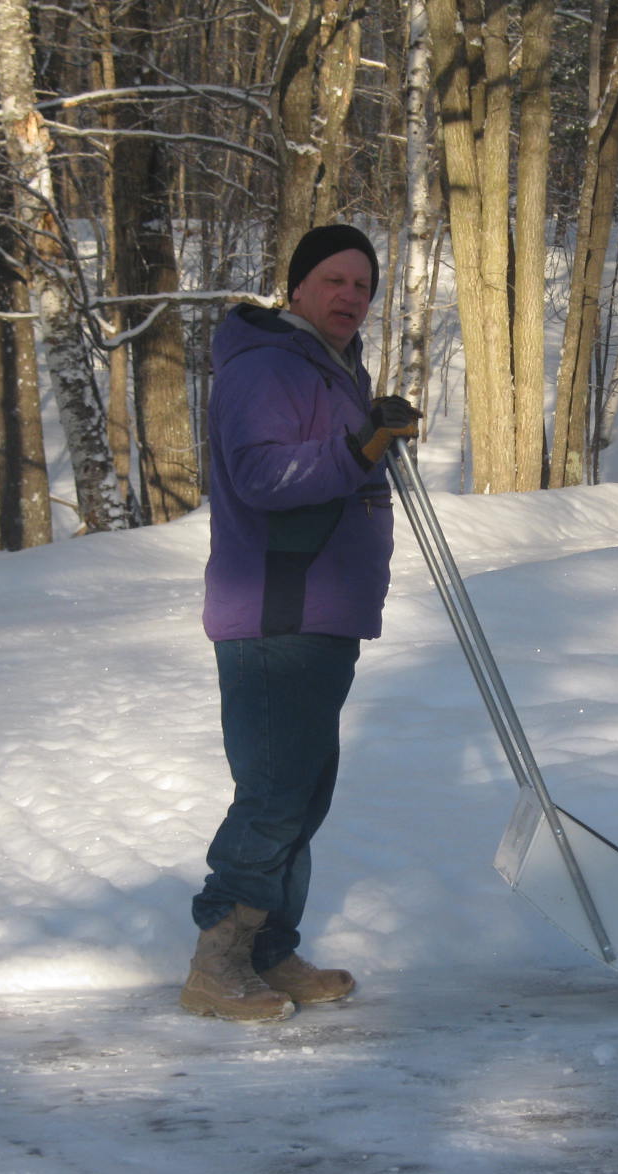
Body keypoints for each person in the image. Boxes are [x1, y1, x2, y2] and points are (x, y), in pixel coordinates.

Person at [182, 225, 421, 1022]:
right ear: (297, 287)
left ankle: (268, 951)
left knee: (303, 791)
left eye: (363, 285)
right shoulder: (267, 365)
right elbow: (262, 474)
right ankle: (218, 961)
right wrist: (359, 448)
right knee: (275, 792)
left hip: (320, 612)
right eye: (335, 280)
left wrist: (367, 438)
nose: (351, 296)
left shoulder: (330, 369)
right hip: (275, 611)